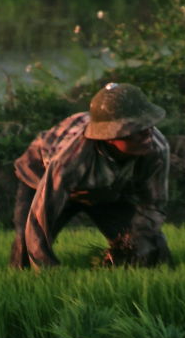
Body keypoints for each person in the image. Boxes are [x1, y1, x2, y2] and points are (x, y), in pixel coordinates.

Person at [9, 82, 172, 270]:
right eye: (137, 131)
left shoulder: (156, 149)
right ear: (110, 137)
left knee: (147, 250)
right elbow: (40, 218)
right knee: (26, 246)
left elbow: (153, 204)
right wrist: (45, 270)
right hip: (43, 179)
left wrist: (138, 242)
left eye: (149, 126)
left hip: (106, 189)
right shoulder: (71, 158)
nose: (148, 135)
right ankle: (24, 277)